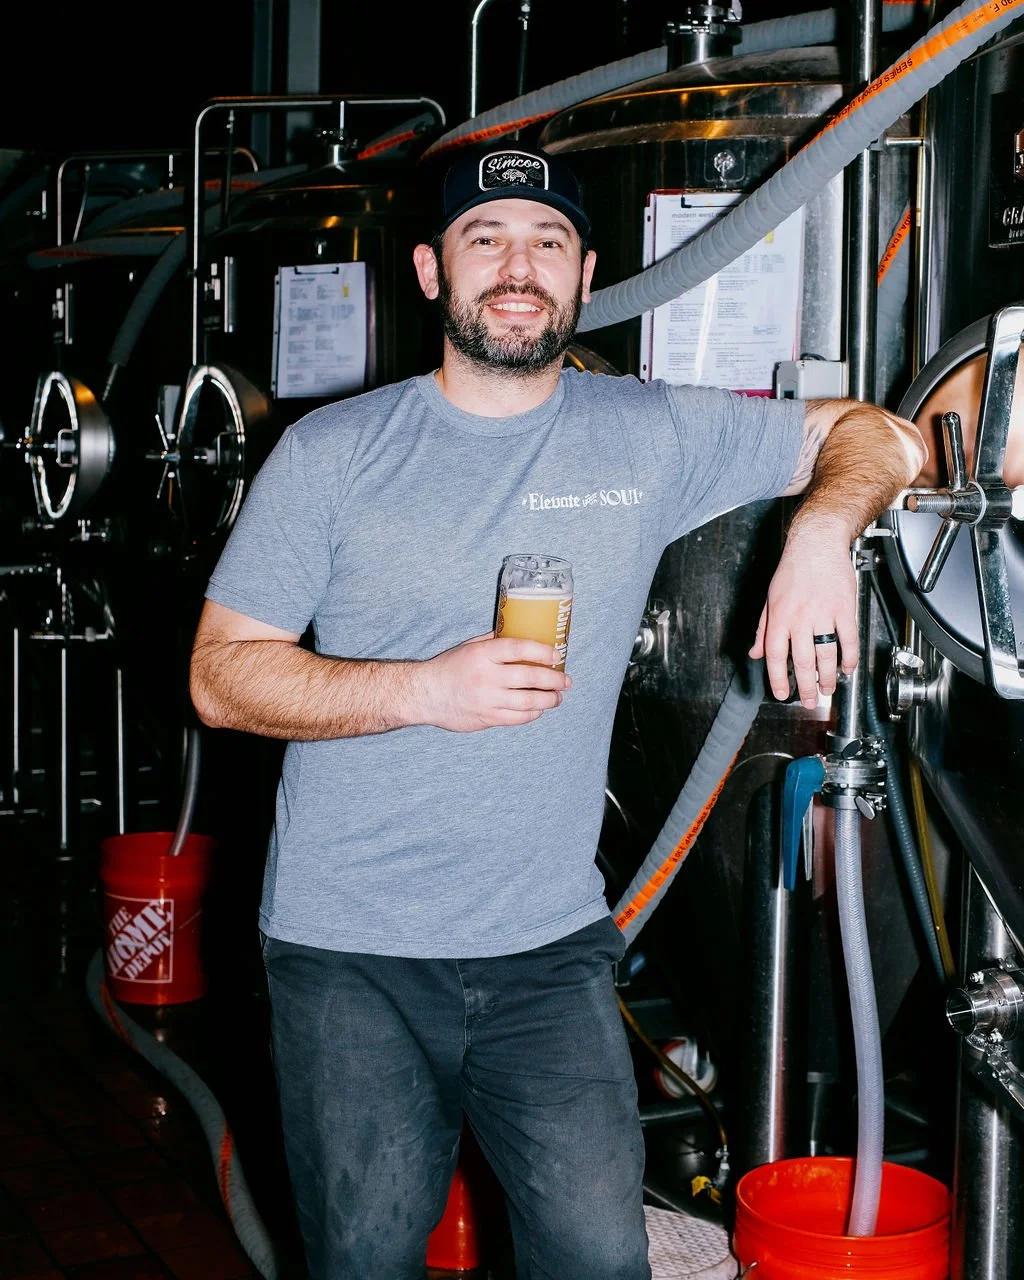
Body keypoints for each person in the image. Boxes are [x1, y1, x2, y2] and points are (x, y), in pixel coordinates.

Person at [190, 143, 927, 1280]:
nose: (517, 266)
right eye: (485, 239)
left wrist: (821, 534)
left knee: (595, 1257)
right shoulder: (331, 453)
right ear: (431, 271)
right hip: (352, 952)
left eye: (548, 242)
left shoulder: (643, 430)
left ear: (585, 276)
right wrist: (423, 688)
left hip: (549, 950)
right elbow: (221, 677)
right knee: (364, 1260)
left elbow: (878, 432)